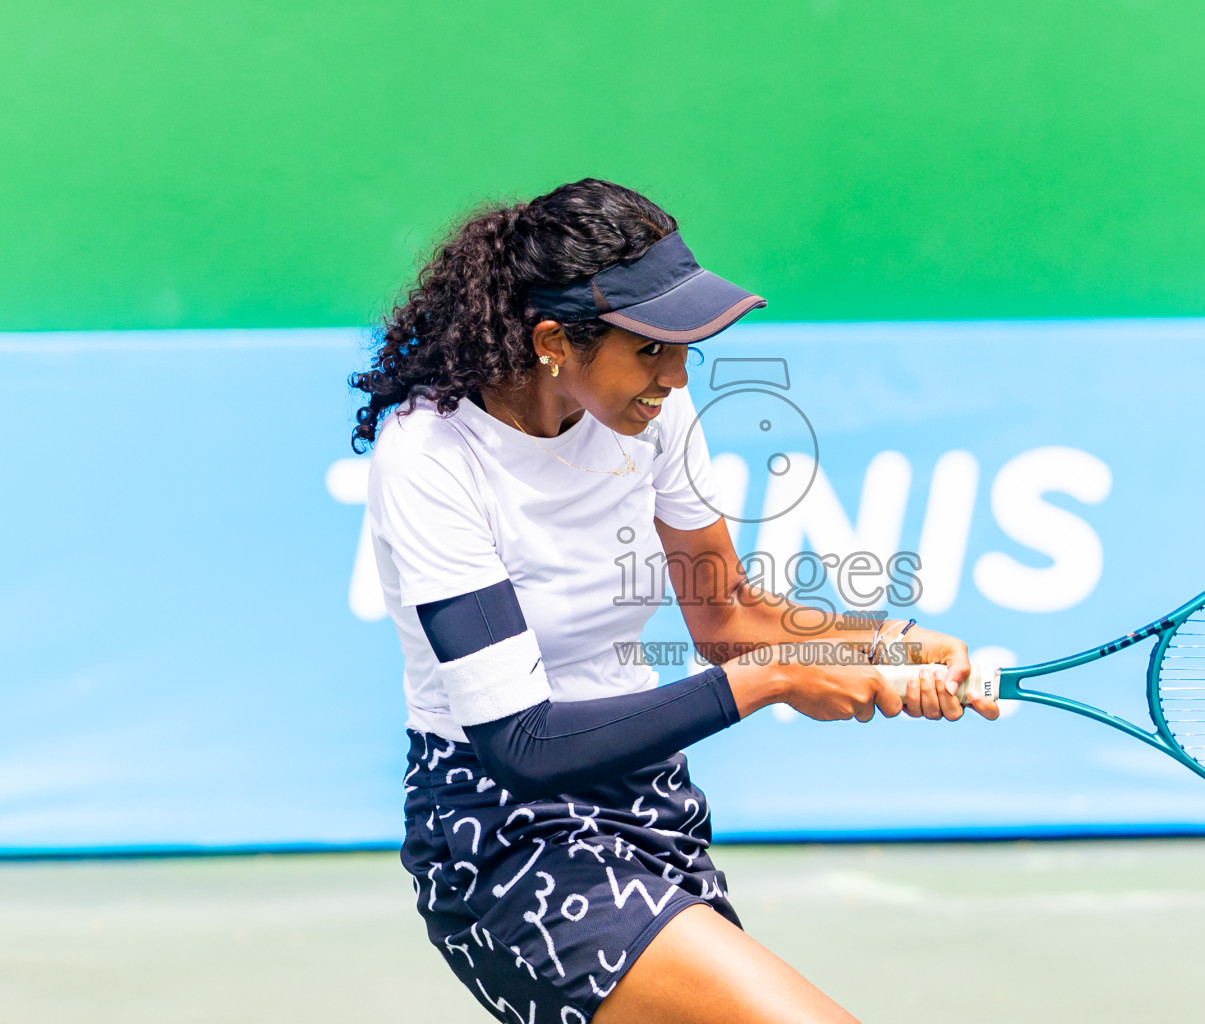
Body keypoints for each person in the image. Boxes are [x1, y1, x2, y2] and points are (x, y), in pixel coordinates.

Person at [350, 179, 999, 1024]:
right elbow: (523, 743)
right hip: (504, 839)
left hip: (650, 810)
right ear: (554, 341)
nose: (676, 374)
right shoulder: (429, 455)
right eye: (650, 349)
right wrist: (776, 679)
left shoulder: (653, 410)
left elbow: (726, 615)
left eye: (682, 348)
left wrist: (886, 641)